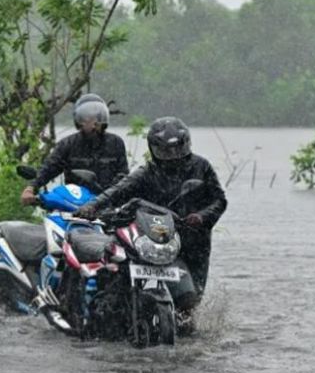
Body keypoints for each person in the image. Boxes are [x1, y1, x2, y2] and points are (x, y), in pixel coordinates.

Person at [76, 116, 227, 330]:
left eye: (176, 149)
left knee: (190, 300)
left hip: (193, 240)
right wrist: (92, 206)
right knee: (120, 268)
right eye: (165, 150)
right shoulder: (147, 172)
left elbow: (219, 200)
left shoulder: (201, 167)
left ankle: (186, 331)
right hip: (155, 235)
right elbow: (118, 190)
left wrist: (202, 217)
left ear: (186, 144)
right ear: (154, 149)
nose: (172, 156)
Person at [20, 94, 129, 205]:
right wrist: (31, 188)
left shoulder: (115, 143)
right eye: (88, 118)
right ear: (79, 121)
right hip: (74, 204)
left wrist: (112, 196)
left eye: (97, 118)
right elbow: (49, 168)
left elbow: (123, 176)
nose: (94, 123)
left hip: (107, 204)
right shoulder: (68, 144)